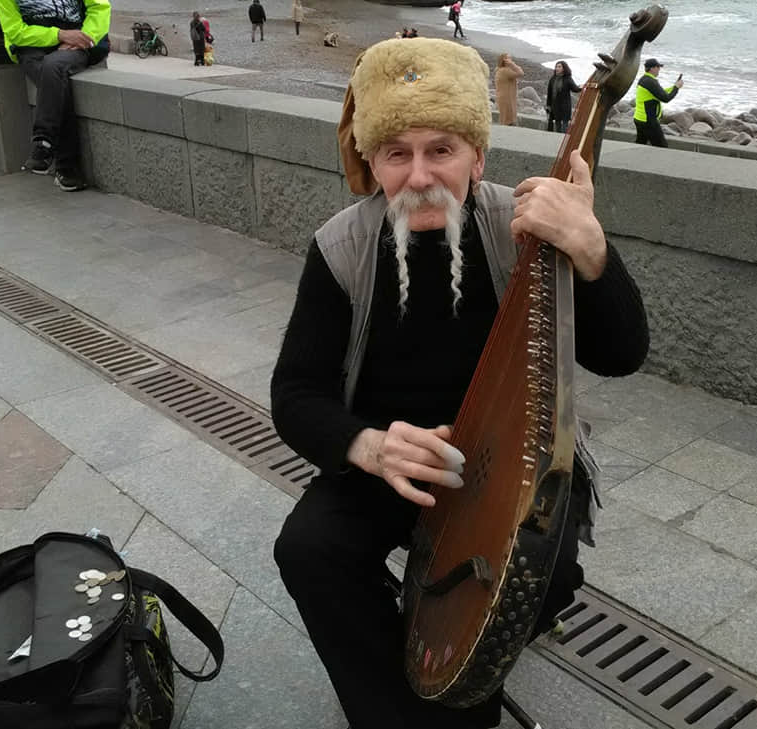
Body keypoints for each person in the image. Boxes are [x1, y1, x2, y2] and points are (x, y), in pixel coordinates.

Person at [272, 37, 649, 729]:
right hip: (398, 461)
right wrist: (367, 446)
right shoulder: (341, 248)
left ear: (478, 156)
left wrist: (592, 248)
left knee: (549, 575)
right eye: (397, 153)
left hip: (514, 458)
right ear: (373, 163)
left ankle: (474, 657)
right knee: (308, 549)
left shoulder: (526, 226)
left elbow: (623, 354)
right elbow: (294, 393)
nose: (420, 175)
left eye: (441, 149)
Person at [0, 0, 110, 192]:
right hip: (31, 45)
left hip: (77, 41)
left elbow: (99, 8)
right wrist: (59, 35)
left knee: (53, 68)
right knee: (53, 77)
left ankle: (44, 142)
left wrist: (83, 38)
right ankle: (65, 167)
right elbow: (14, 31)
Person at [633, 58, 680, 147]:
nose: (659, 69)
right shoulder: (650, 82)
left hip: (640, 119)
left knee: (640, 144)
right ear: (652, 68)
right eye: (658, 67)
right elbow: (666, 98)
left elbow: (660, 92)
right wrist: (676, 88)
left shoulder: (645, 79)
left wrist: (674, 86)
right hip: (648, 121)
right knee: (662, 147)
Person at [545, 59, 579, 133]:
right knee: (557, 124)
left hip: (565, 106)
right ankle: (558, 139)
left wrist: (583, 87)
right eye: (556, 67)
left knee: (564, 125)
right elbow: (549, 93)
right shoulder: (553, 79)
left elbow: (575, 89)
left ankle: (563, 139)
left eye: (559, 67)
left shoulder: (568, 79)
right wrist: (548, 105)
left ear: (564, 68)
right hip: (555, 106)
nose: (557, 68)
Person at [493, 52, 523, 126]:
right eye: (508, 58)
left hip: (503, 97)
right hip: (507, 98)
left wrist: (511, 65)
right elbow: (521, 73)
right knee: (508, 120)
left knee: (504, 118)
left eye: (510, 58)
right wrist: (512, 64)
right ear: (504, 60)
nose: (511, 60)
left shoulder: (499, 69)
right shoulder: (505, 71)